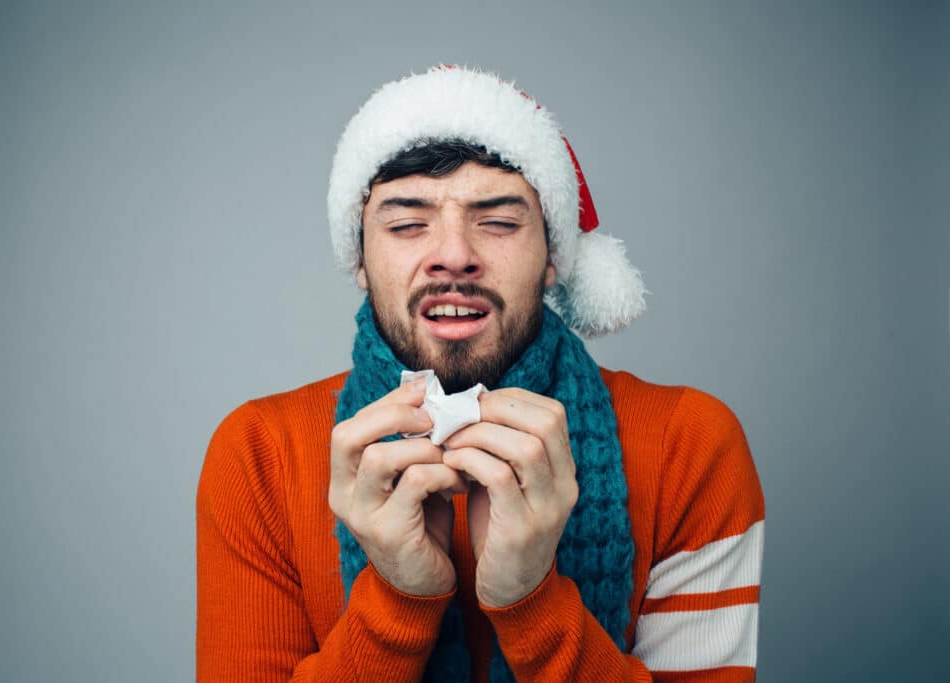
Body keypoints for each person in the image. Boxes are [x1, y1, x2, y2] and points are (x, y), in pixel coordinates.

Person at [196, 66, 765, 682]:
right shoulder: (257, 455)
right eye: (407, 223)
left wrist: (532, 601)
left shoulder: (690, 445)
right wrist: (398, 599)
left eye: (497, 221)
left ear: (554, 257)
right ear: (359, 259)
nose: (455, 255)